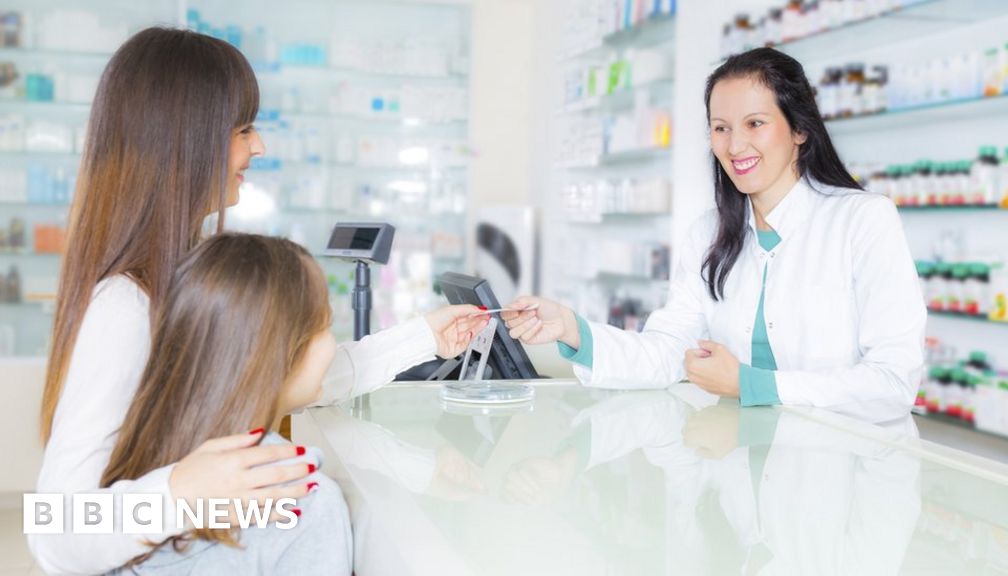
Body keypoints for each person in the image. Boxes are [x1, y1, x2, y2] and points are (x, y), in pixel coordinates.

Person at [32, 27, 486, 575]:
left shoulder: (186, 271)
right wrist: (182, 490)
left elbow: (282, 373)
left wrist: (424, 338)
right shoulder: (125, 306)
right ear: (184, 140)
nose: (259, 146)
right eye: (243, 128)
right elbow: (56, 531)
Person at [501, 47, 926, 419]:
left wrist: (751, 385)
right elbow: (669, 352)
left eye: (755, 123)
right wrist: (572, 329)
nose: (734, 145)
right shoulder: (710, 233)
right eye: (721, 127)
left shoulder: (863, 220)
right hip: (744, 463)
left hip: (849, 469)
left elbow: (892, 382)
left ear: (799, 129)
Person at [102, 233, 352, 574]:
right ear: (275, 353)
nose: (333, 344)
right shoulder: (305, 501)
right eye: (325, 325)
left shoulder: (132, 462)